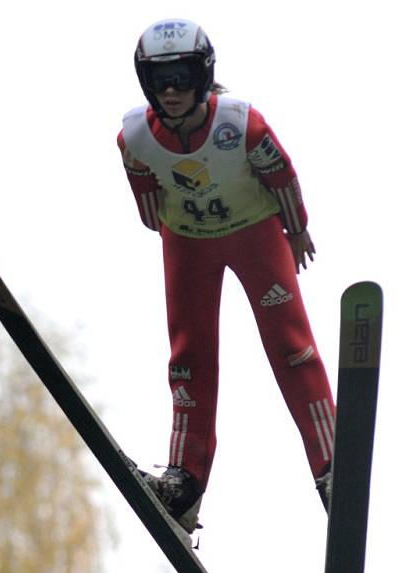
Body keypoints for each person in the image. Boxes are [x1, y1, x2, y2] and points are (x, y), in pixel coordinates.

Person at [118, 18, 335, 535]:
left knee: (291, 345)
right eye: (161, 79)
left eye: (184, 75)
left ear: (204, 72)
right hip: (189, 241)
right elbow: (146, 200)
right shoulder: (134, 135)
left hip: (255, 232)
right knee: (188, 360)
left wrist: (297, 229)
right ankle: (185, 482)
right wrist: (176, 227)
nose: (172, 91)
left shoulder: (241, 123)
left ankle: (332, 465)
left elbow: (280, 171)